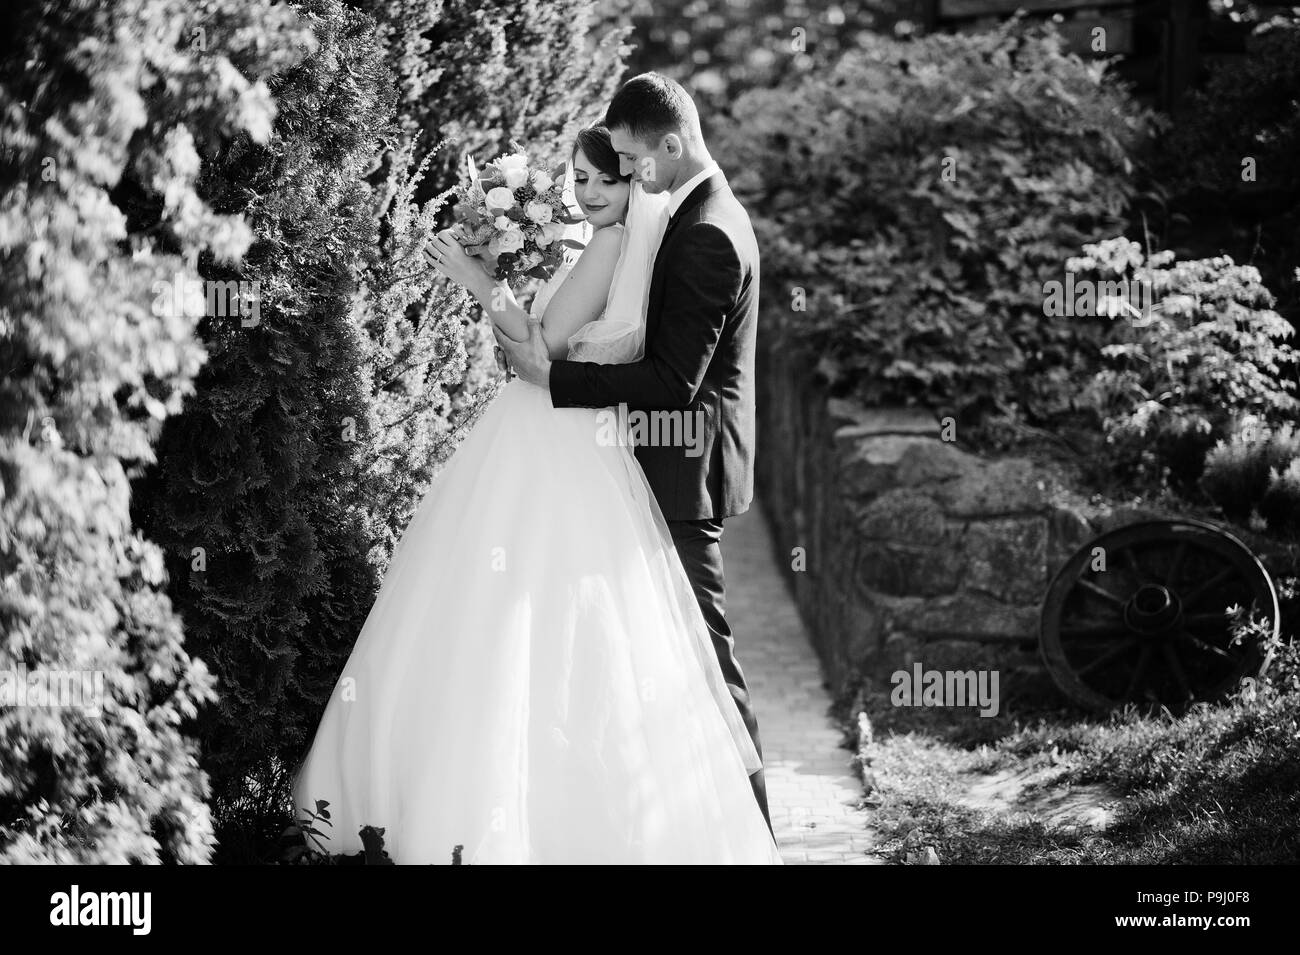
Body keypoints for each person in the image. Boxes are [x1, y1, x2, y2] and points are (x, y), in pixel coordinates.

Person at [290, 121, 781, 865]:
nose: (586, 192)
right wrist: (501, 285)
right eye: (577, 178)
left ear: (630, 186)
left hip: (557, 439)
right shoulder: (601, 244)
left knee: (524, 613)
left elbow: (538, 348)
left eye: (602, 180)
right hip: (546, 432)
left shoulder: (615, 247)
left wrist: (477, 280)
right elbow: (524, 344)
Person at [494, 73, 771, 829]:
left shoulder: (709, 231)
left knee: (708, 664)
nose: (625, 173)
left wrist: (553, 378)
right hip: (671, 461)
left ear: (670, 146)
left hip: (686, 470)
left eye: (630, 158)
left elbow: (672, 380)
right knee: (673, 657)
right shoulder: (694, 212)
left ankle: (756, 837)